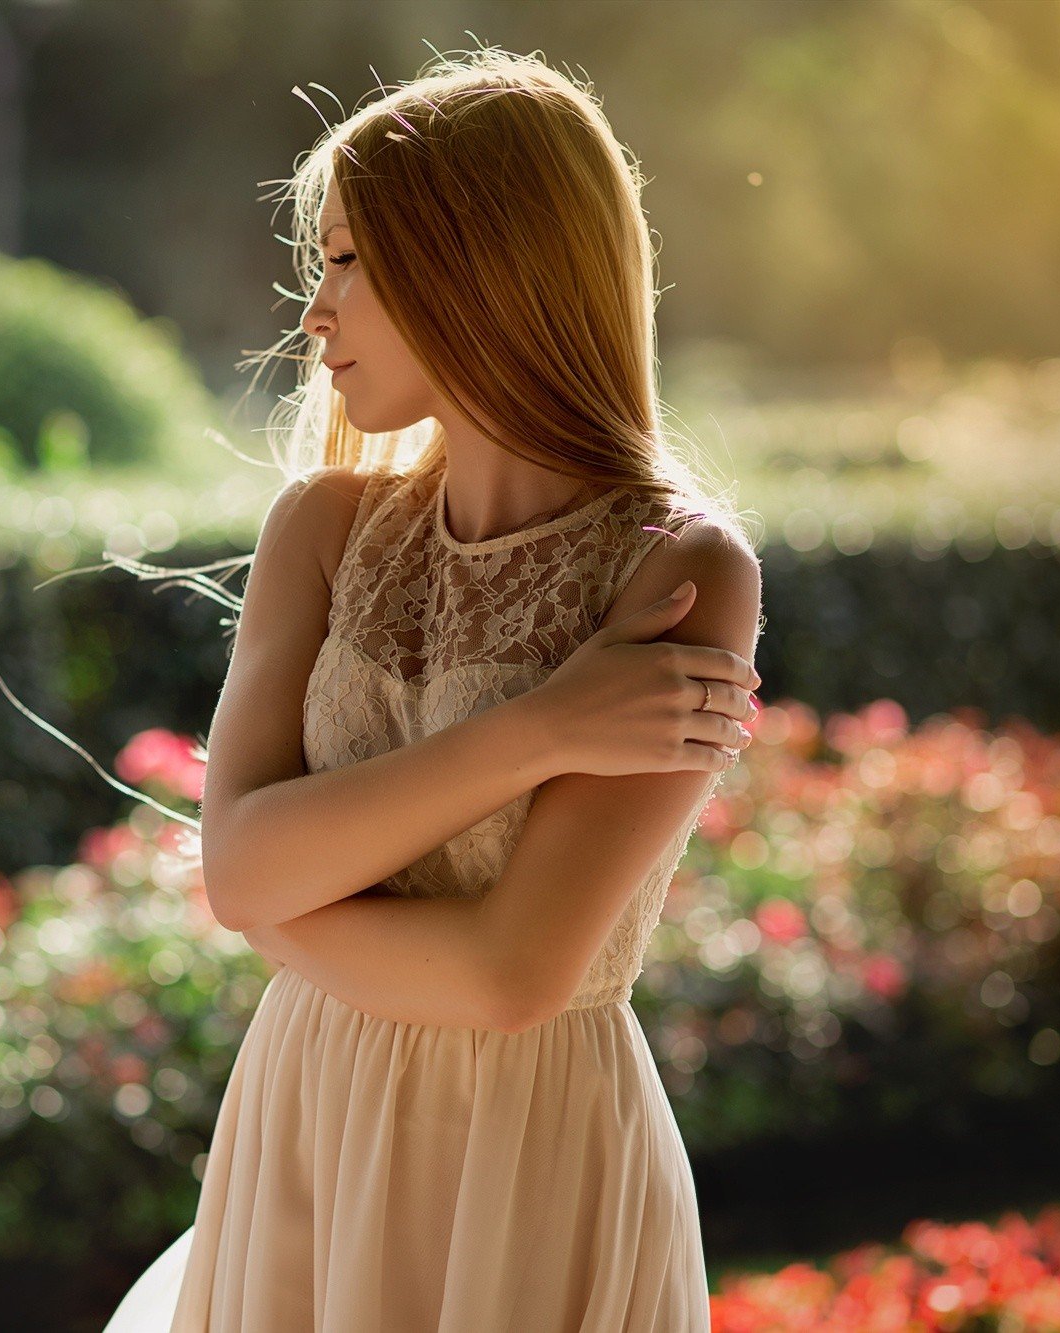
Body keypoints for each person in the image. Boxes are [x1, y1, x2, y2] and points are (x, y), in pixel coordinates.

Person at [103, 45, 764, 1333]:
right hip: (306, 1116)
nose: (314, 312)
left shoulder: (680, 568)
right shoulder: (322, 530)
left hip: (527, 1154)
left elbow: (514, 976)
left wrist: (287, 909)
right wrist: (546, 727)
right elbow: (236, 871)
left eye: (348, 261)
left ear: (480, 260)